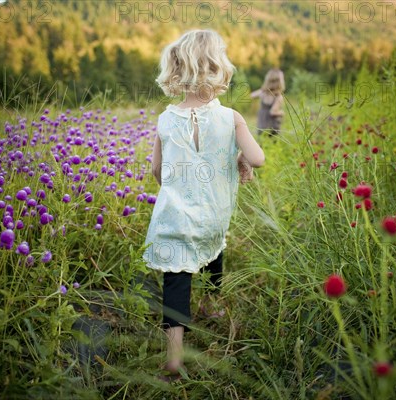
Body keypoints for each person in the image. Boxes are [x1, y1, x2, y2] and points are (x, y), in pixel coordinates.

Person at [143, 29, 265, 381]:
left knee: (176, 282)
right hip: (213, 215)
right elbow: (258, 158)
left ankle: (174, 360)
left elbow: (156, 169)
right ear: (218, 68)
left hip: (173, 217)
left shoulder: (166, 119)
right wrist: (241, 156)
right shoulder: (231, 118)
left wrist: (177, 191)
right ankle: (214, 307)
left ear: (175, 70)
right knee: (213, 248)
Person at [250, 68, 285, 136]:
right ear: (280, 82)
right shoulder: (278, 97)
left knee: (261, 144)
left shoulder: (262, 92)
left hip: (261, 125)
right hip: (272, 128)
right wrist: (281, 113)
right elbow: (273, 112)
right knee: (273, 145)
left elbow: (251, 96)